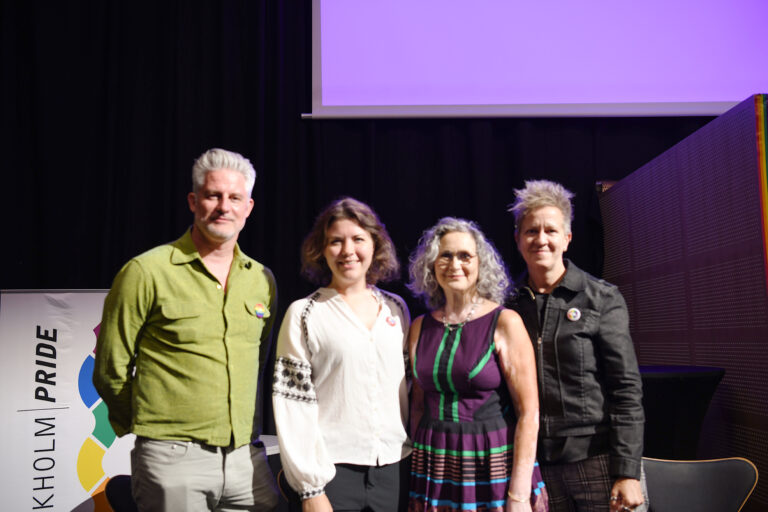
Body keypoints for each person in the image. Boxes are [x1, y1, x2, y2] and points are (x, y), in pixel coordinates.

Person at [93, 148, 279, 511]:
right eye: (213, 195)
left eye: (234, 198)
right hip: (172, 461)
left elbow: (258, 362)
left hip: (246, 463)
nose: (224, 206)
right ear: (194, 202)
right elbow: (110, 369)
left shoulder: (261, 279)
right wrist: (156, 431)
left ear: (249, 207)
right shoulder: (146, 272)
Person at [507, 180, 646, 512]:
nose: (541, 239)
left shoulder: (601, 297)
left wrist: (627, 471)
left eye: (551, 231)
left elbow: (626, 387)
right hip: (536, 467)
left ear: (567, 238)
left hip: (599, 462)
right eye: (531, 231)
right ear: (517, 240)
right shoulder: (505, 306)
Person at [273, 197, 411, 512]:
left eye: (358, 239)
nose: (348, 251)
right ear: (321, 250)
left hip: (395, 469)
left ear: (375, 245)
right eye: (336, 241)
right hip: (332, 474)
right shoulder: (304, 314)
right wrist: (311, 489)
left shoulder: (396, 308)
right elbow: (292, 404)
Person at [407, 217, 548, 512]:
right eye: (445, 255)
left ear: (480, 264)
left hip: (491, 458)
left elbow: (529, 413)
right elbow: (418, 406)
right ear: (432, 264)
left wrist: (519, 494)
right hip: (435, 459)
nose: (454, 264)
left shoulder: (505, 322)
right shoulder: (420, 326)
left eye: (464, 256)